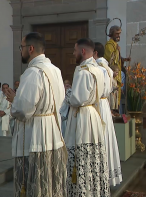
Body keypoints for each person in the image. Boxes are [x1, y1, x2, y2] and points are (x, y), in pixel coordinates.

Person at [5, 32, 67, 197]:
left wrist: (14, 100)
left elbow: (24, 110)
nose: (21, 51)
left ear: (30, 49)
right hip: (52, 132)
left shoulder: (32, 73)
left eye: (22, 47)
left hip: (35, 135)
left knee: (34, 184)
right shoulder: (55, 70)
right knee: (50, 184)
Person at [64, 38, 110, 196]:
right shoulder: (98, 69)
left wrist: (67, 91)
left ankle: (82, 192)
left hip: (83, 116)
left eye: (75, 50)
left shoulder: (84, 72)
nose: (73, 53)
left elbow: (77, 99)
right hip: (93, 115)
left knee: (81, 157)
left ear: (83, 51)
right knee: (92, 157)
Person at [94, 42, 123, 186]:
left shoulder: (97, 67)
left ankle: (100, 177)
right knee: (107, 139)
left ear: (94, 53)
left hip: (98, 104)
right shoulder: (107, 68)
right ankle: (109, 176)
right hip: (105, 104)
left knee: (100, 139)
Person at [104, 25, 130, 107]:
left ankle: (117, 110)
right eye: (116, 34)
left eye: (119, 34)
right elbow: (110, 60)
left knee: (118, 95)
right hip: (113, 74)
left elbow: (118, 59)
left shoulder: (115, 45)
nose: (118, 36)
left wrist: (124, 59)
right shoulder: (109, 45)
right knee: (113, 96)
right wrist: (116, 51)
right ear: (111, 34)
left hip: (118, 73)